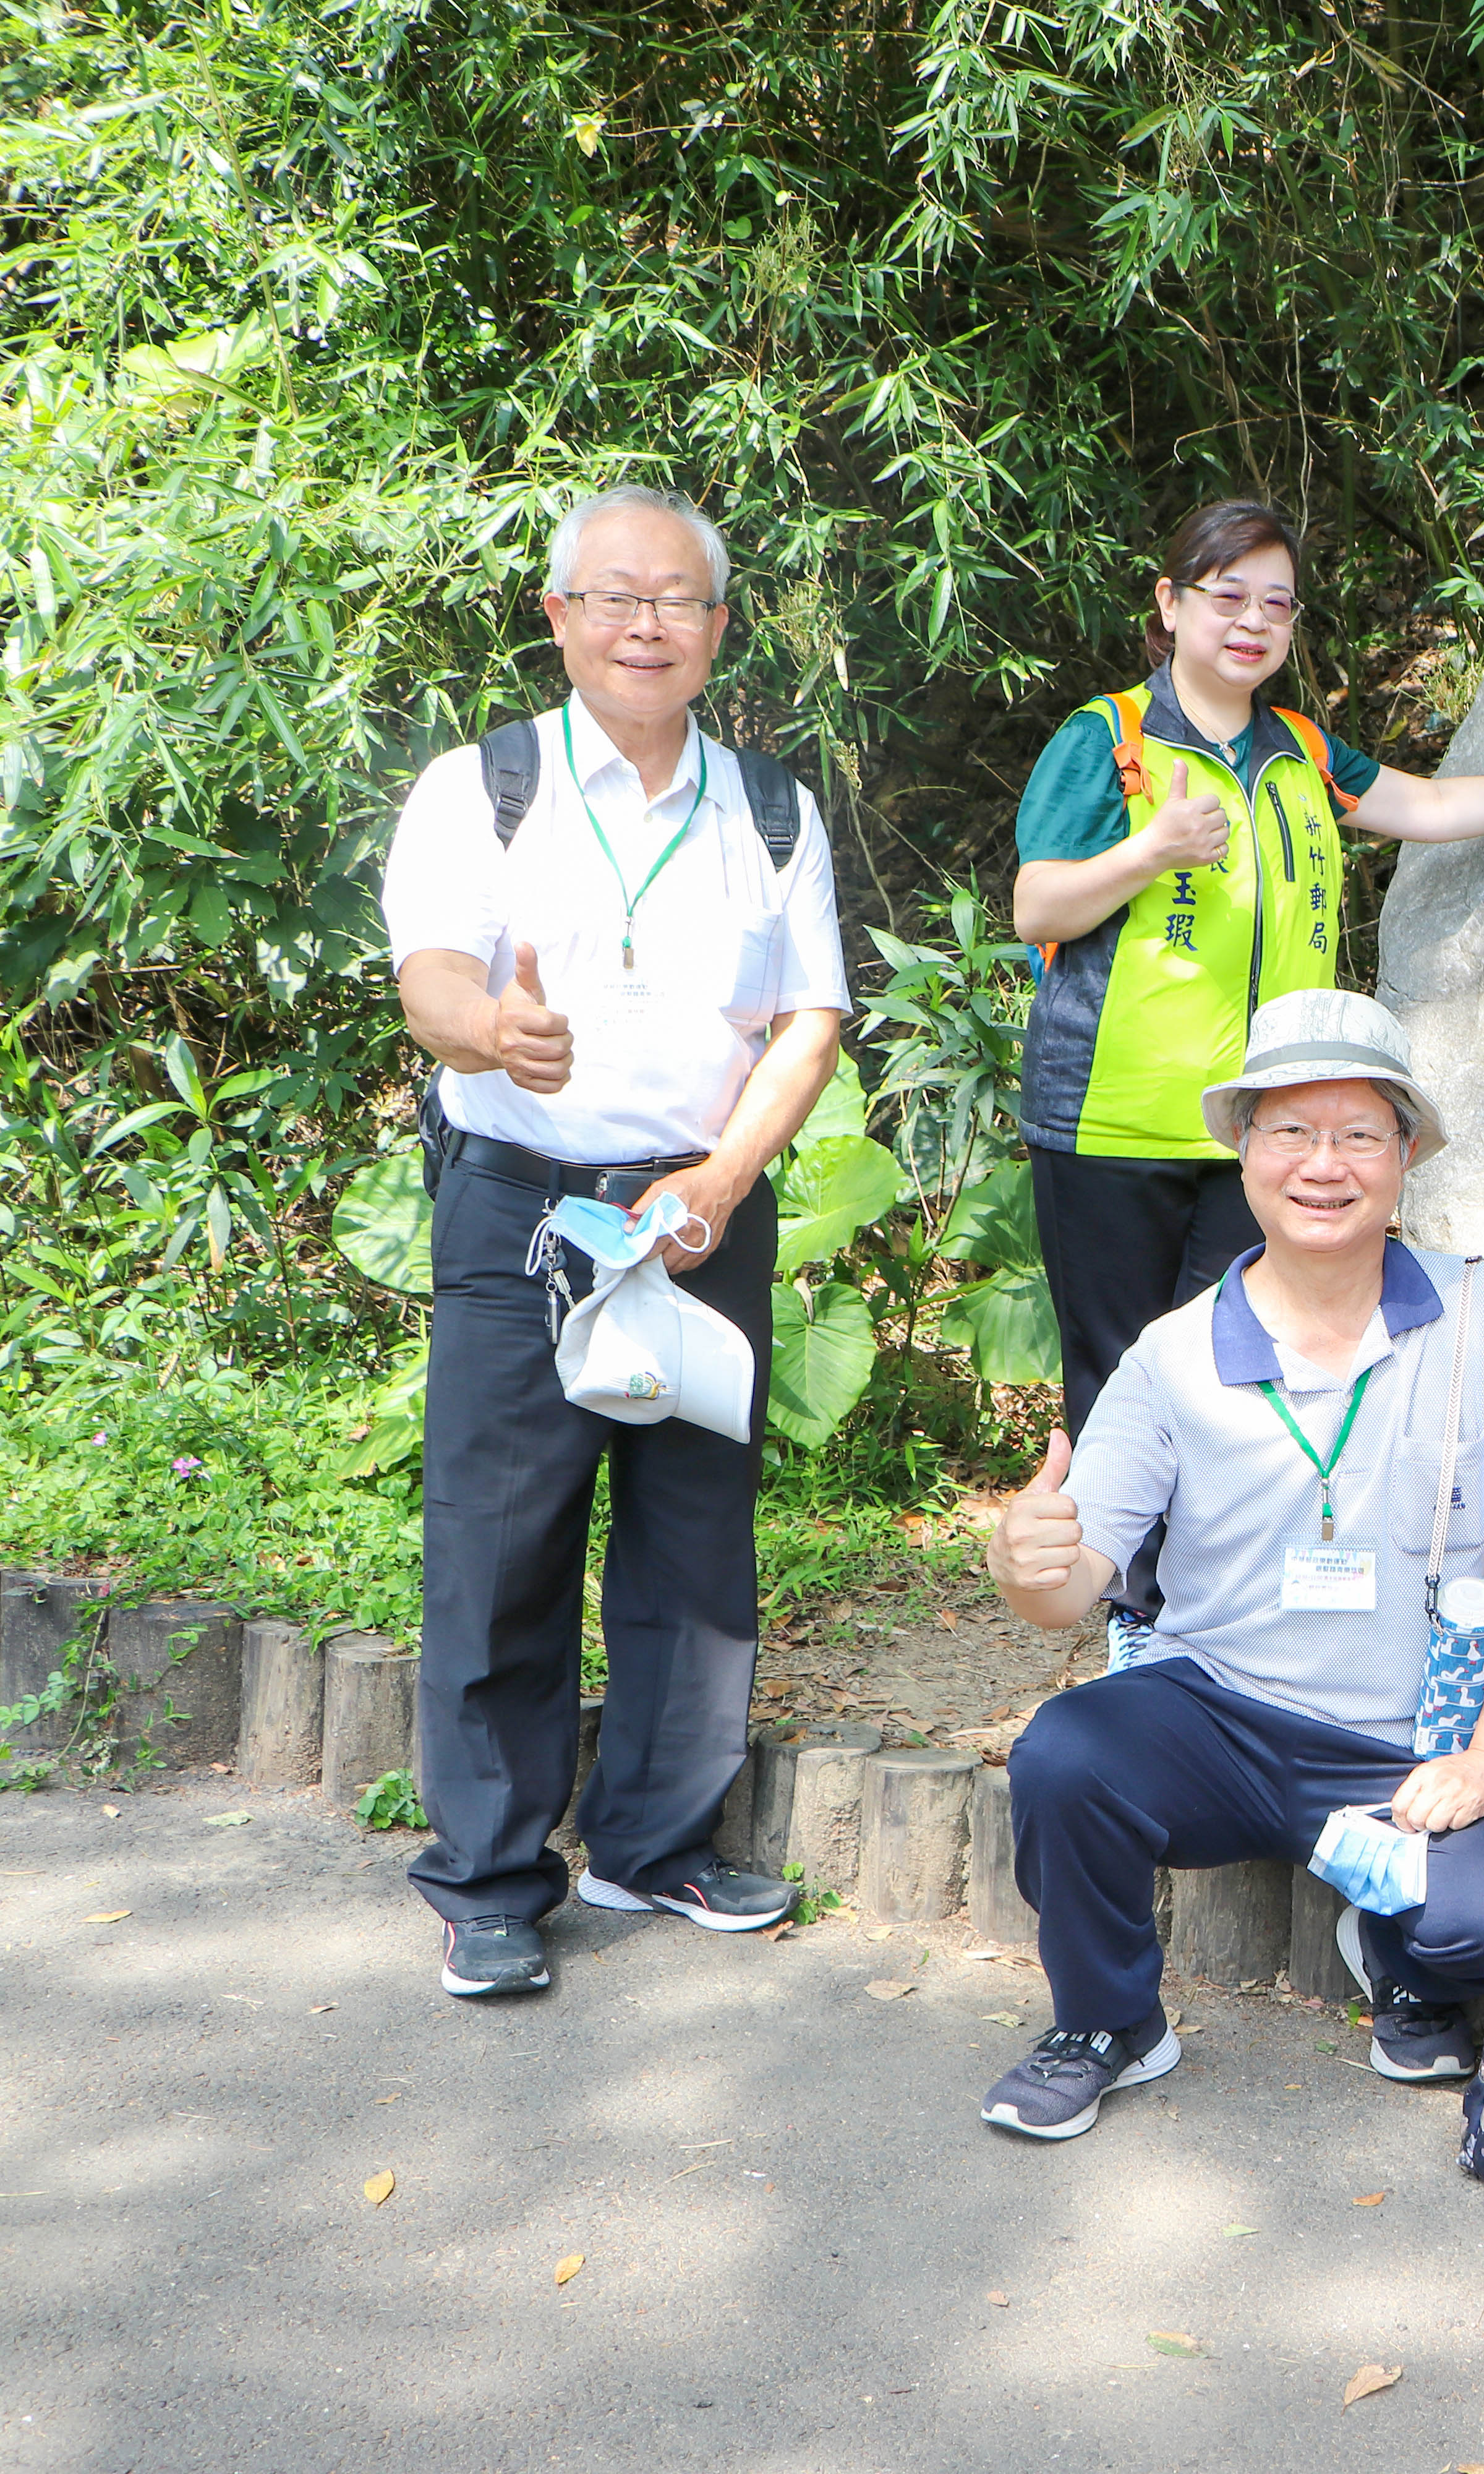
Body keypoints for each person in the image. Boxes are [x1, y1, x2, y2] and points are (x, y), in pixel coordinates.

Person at [1011, 499, 1484, 1657]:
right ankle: (1138, 1620)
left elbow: (1424, 807)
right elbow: (1038, 906)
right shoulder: (1109, 739)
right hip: (1112, 1122)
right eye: (1228, 597)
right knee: (1122, 1377)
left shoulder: (1303, 751)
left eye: (1277, 603)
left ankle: (1243, 1615)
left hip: (1273, 1137)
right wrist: (1149, 852)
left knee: (1257, 1381)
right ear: (1169, 606)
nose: (1253, 623)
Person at [975, 991, 1484, 2138]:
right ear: (1245, 1149)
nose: (1326, 1165)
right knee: (1065, 1755)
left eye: (1361, 1133)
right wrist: (1027, 1558)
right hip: (1215, 1716)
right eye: (1291, 1131)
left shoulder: (1478, 1312)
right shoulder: (1171, 1357)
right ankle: (1110, 2021)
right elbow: (1067, 1590)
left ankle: (1402, 1952)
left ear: (1406, 1154)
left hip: (1403, 1741)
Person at [380, 483, 849, 1997]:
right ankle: (492, 1876)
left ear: (719, 628)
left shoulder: (770, 806)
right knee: (504, 1536)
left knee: (694, 1531)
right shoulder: (484, 785)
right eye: (616, 595)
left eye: (679, 601)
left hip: (702, 1202)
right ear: (561, 615)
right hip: (527, 1193)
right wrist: (494, 1031)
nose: (648, 623)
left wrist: (722, 1174)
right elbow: (432, 976)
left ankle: (662, 1841)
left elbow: (812, 1018)